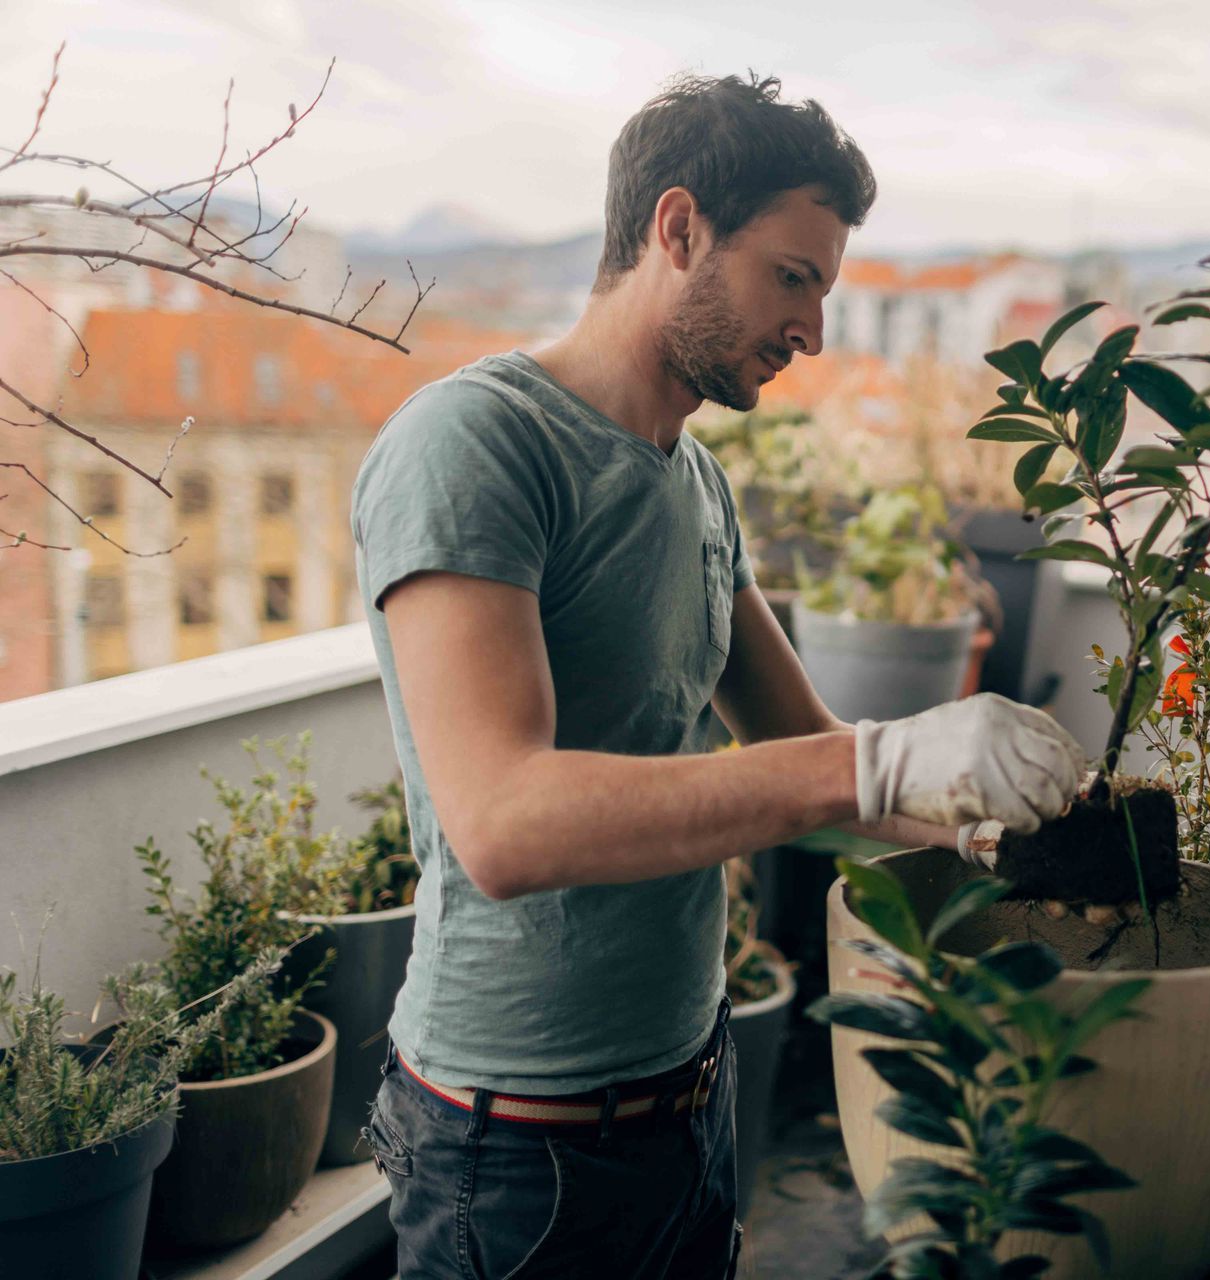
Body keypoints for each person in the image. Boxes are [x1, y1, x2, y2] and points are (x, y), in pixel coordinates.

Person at [348, 72, 1083, 1279]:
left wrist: (992, 818)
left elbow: (811, 743)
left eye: (826, 290)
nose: (814, 330)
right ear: (677, 228)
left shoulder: (695, 482)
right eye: (793, 277)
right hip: (515, 1151)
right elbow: (504, 820)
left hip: (691, 1101)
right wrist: (883, 755)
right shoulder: (476, 442)